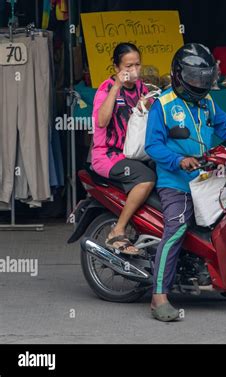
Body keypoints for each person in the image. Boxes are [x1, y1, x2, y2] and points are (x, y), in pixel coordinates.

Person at [145, 43, 226, 322]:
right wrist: (178, 160)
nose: (199, 83)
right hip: (175, 181)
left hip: (207, 175)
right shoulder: (163, 105)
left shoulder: (207, 103)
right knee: (177, 226)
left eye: (204, 79)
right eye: (194, 78)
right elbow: (153, 145)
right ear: (178, 76)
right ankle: (159, 296)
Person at [91, 42, 156, 255]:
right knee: (147, 177)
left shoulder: (141, 88)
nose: (133, 71)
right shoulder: (107, 88)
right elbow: (101, 121)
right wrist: (117, 86)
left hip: (134, 153)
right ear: (117, 67)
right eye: (128, 66)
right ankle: (117, 230)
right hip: (108, 155)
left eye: (137, 65)